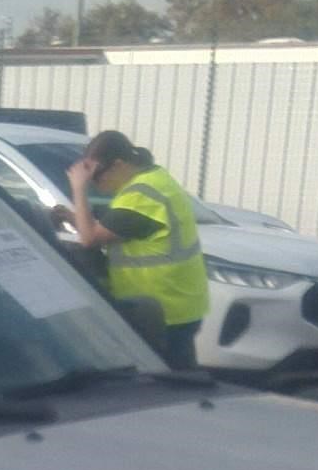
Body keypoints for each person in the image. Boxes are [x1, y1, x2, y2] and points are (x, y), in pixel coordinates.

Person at [65, 129, 210, 368]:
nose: (96, 185)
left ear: (119, 165)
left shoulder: (141, 195)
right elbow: (118, 228)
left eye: (97, 176)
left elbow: (89, 239)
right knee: (179, 380)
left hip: (162, 308)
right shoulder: (154, 179)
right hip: (177, 304)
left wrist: (78, 189)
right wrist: (73, 217)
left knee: (166, 386)